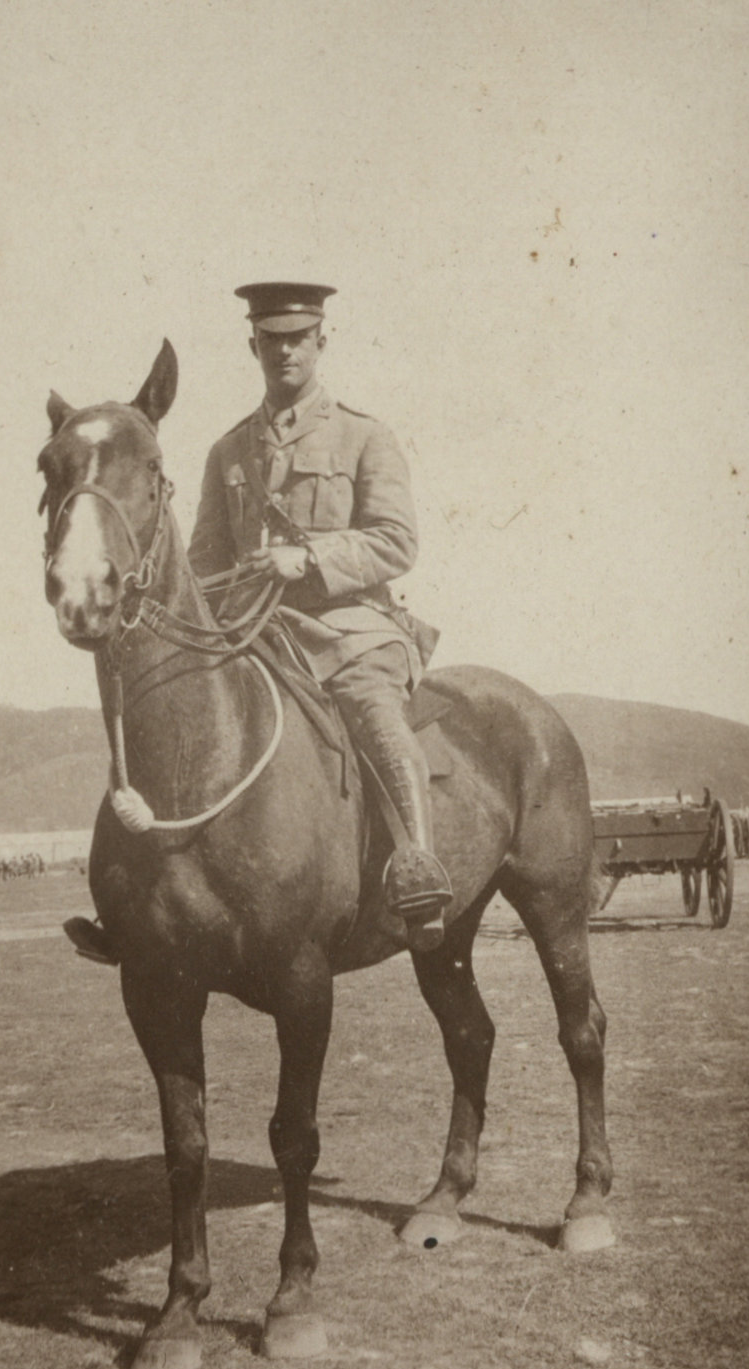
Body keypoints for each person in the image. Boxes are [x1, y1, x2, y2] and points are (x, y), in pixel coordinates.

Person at [189, 281, 452, 949]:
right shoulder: (227, 452)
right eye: (270, 339)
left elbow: (397, 541)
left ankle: (419, 870)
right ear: (253, 345)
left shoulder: (366, 437)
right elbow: (203, 562)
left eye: (297, 338)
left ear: (320, 341)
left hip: (350, 633)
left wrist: (306, 562)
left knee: (378, 718)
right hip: (258, 635)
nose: (284, 350)